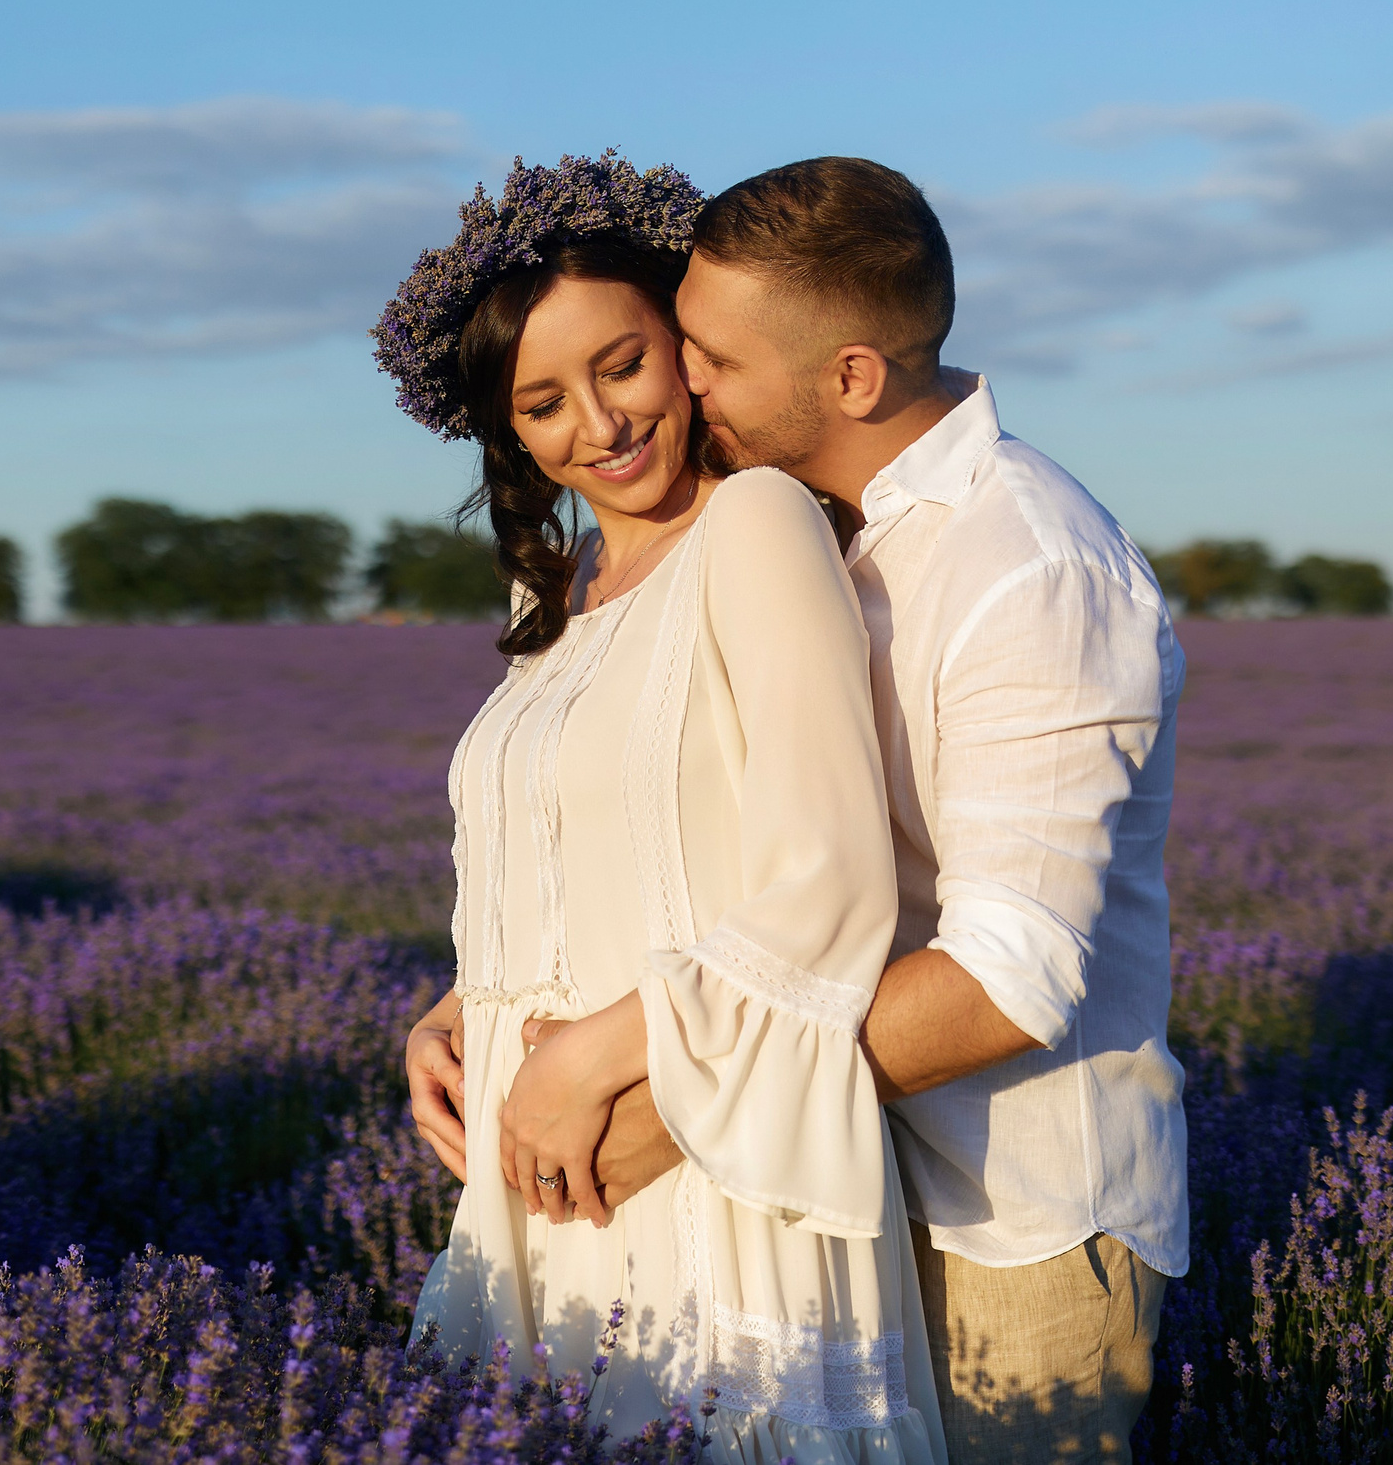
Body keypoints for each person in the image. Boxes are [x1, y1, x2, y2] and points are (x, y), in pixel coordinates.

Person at [531, 157, 1190, 1461]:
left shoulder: (1030, 570)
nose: (684, 383)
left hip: (1011, 1223)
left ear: (851, 378)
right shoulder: (803, 527)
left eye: (711, 358)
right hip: (837, 1192)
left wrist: (696, 1097)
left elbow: (1010, 979)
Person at [373, 153, 947, 1462]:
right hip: (540, 1182)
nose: (602, 423)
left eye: (622, 364)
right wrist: (466, 1007)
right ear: (508, 430)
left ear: (684, 352)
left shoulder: (752, 525)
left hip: (698, 1157)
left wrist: (586, 1053)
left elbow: (833, 880)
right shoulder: (551, 597)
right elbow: (597, 850)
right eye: (544, 401)